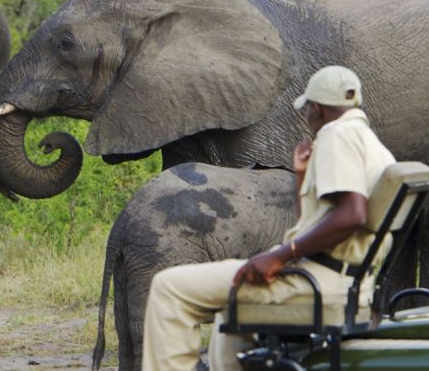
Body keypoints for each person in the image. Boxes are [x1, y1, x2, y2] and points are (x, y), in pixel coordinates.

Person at [141, 65, 396, 371]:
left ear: (316, 108)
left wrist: (280, 255)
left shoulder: (335, 135)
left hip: (317, 284)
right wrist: (303, 177)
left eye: (307, 111)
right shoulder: (372, 144)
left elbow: (352, 215)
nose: (307, 120)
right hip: (351, 284)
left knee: (169, 288)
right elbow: (316, 223)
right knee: (231, 307)